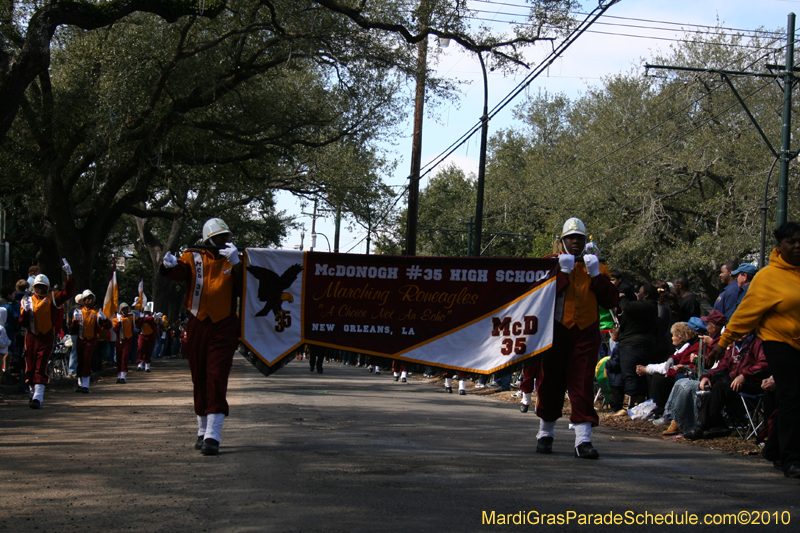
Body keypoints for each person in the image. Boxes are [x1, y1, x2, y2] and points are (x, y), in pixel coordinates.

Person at [708, 222, 800, 479]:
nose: (797, 245)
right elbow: (745, 314)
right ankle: (791, 458)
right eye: (791, 241)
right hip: (779, 342)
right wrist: (724, 343)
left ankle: (773, 447)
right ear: (779, 246)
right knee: (792, 396)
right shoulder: (769, 277)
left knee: (794, 399)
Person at [524, 218, 618, 459]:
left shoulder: (598, 266)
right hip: (555, 330)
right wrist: (561, 273)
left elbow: (611, 301)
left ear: (585, 241)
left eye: (579, 238)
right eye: (570, 238)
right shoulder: (549, 264)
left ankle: (583, 439)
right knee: (550, 383)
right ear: (562, 240)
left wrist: (597, 275)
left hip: (586, 332)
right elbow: (537, 297)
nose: (575, 242)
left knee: (582, 384)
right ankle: (545, 434)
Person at [160, 217, 243, 456]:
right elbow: (178, 273)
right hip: (197, 322)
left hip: (224, 324)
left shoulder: (236, 259)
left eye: (226, 237)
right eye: (219, 238)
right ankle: (202, 429)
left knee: (216, 375)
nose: (224, 241)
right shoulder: (192, 256)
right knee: (199, 376)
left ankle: (213, 435)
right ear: (208, 239)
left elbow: (245, 288)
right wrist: (167, 265)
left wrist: (237, 265)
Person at [682, 332, 769, 440]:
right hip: (732, 385)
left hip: (752, 384)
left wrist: (744, 375)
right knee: (708, 385)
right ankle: (718, 425)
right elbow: (721, 367)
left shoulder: (758, 344)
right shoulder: (733, 348)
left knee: (720, 386)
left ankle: (701, 425)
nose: (742, 332)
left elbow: (764, 363)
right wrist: (706, 376)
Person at [19, 260, 75, 408]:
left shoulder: (53, 297)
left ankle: (38, 397)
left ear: (47, 286)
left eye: (43, 287)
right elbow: (23, 322)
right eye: (37, 287)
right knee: (30, 366)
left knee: (41, 364)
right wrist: (24, 310)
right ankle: (32, 392)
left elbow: (67, 293)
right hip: (31, 336)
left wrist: (68, 275)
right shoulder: (28, 300)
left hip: (46, 336)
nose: (40, 289)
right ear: (33, 287)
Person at [614, 283, 659, 414]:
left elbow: (627, 305)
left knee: (630, 375)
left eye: (640, 292)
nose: (637, 294)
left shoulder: (647, 305)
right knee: (638, 375)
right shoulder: (644, 307)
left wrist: (621, 297)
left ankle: (628, 407)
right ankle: (638, 405)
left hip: (633, 345)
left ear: (646, 295)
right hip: (640, 343)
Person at [71, 290, 111, 393]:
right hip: (80, 339)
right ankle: (80, 383)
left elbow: (108, 326)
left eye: (91, 298)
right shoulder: (79, 311)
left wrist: (104, 318)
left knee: (87, 360)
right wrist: (75, 321)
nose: (89, 300)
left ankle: (86, 384)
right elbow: (73, 329)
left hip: (91, 340)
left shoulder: (96, 312)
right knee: (80, 360)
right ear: (83, 300)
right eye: (87, 298)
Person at [113, 303, 135, 383]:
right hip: (119, 340)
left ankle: (123, 376)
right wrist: (119, 322)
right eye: (123, 309)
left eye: (126, 309)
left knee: (124, 357)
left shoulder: (131, 317)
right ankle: (119, 376)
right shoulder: (116, 319)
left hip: (128, 340)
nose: (125, 311)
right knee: (119, 357)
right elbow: (115, 330)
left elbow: (138, 323)